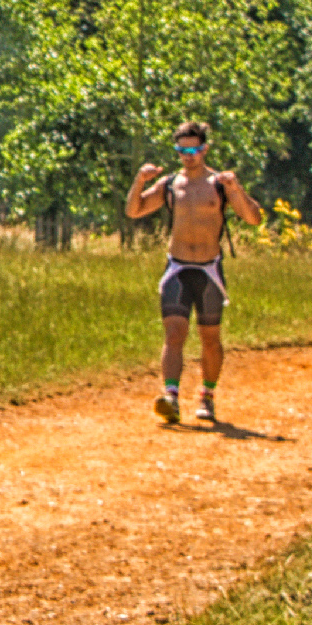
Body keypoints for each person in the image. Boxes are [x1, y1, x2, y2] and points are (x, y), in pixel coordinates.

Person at [125, 120, 266, 424]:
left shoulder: (218, 184)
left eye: (194, 149)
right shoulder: (171, 184)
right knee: (174, 333)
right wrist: (139, 180)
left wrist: (235, 188)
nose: (188, 155)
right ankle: (171, 397)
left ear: (205, 149)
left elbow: (253, 218)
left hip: (209, 270)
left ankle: (208, 395)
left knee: (209, 338)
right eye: (182, 150)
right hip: (177, 267)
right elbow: (134, 211)